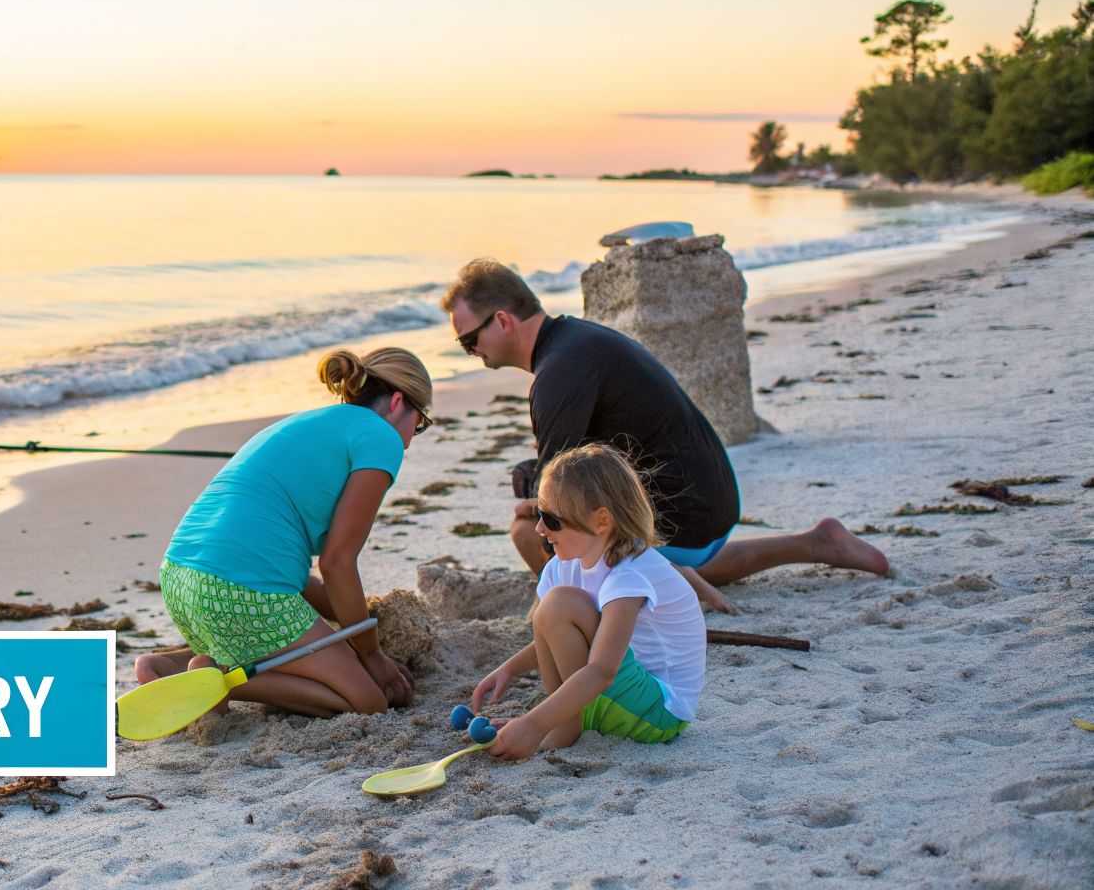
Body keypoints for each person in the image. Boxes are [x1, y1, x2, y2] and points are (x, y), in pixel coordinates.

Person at [442, 258, 887, 610]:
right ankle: (813, 543)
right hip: (710, 507)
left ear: (502, 321)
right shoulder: (578, 341)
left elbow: (555, 513)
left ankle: (612, 604)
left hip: (683, 522)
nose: (470, 351)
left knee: (526, 527)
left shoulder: (556, 375)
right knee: (574, 517)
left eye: (468, 340)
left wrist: (542, 518)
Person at [133, 347, 432, 717]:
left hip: (180, 580)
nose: (409, 440)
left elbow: (281, 569)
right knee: (369, 702)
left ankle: (169, 667)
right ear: (399, 401)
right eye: (418, 425)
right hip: (241, 594)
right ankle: (223, 676)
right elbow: (337, 563)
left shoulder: (303, 423)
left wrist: (365, 617)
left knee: (280, 640)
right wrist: (372, 655)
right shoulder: (381, 436)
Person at [470, 444, 704, 758]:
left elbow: (603, 670)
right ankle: (564, 721)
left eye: (552, 520)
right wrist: (509, 670)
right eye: (539, 513)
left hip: (658, 713)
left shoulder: (629, 574)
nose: (539, 528)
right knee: (551, 607)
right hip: (620, 694)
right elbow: (552, 634)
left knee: (559, 604)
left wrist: (533, 725)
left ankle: (564, 726)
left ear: (601, 521)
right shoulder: (562, 567)